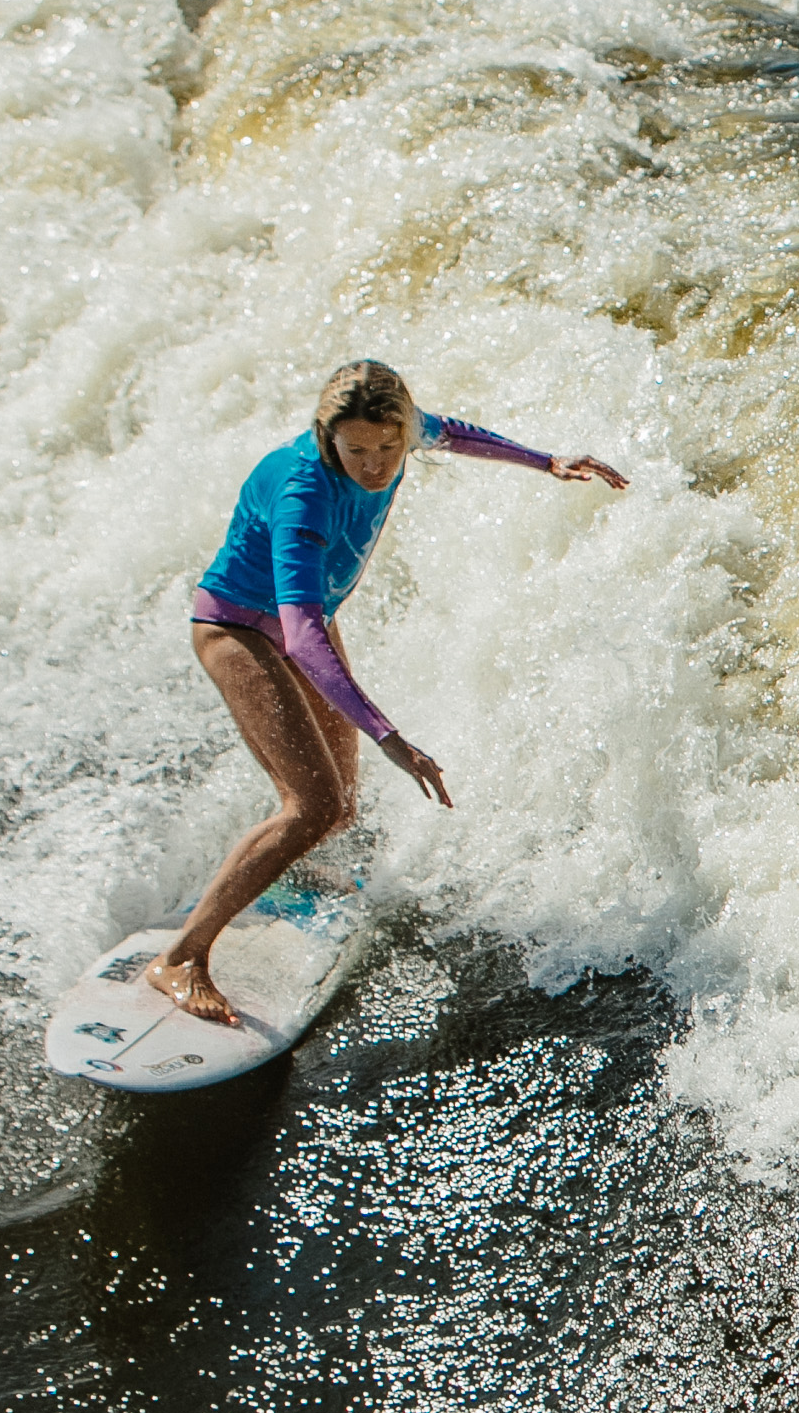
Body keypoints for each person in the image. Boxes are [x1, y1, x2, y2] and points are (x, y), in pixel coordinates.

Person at [152, 357, 630, 1028]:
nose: (374, 466)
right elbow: (302, 633)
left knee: (338, 806)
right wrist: (390, 738)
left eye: (387, 448)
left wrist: (547, 461)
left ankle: (282, 869)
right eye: (356, 451)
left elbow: (455, 433)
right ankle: (182, 956)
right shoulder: (303, 493)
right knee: (313, 805)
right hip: (239, 628)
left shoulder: (400, 433)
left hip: (300, 624)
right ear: (327, 438)